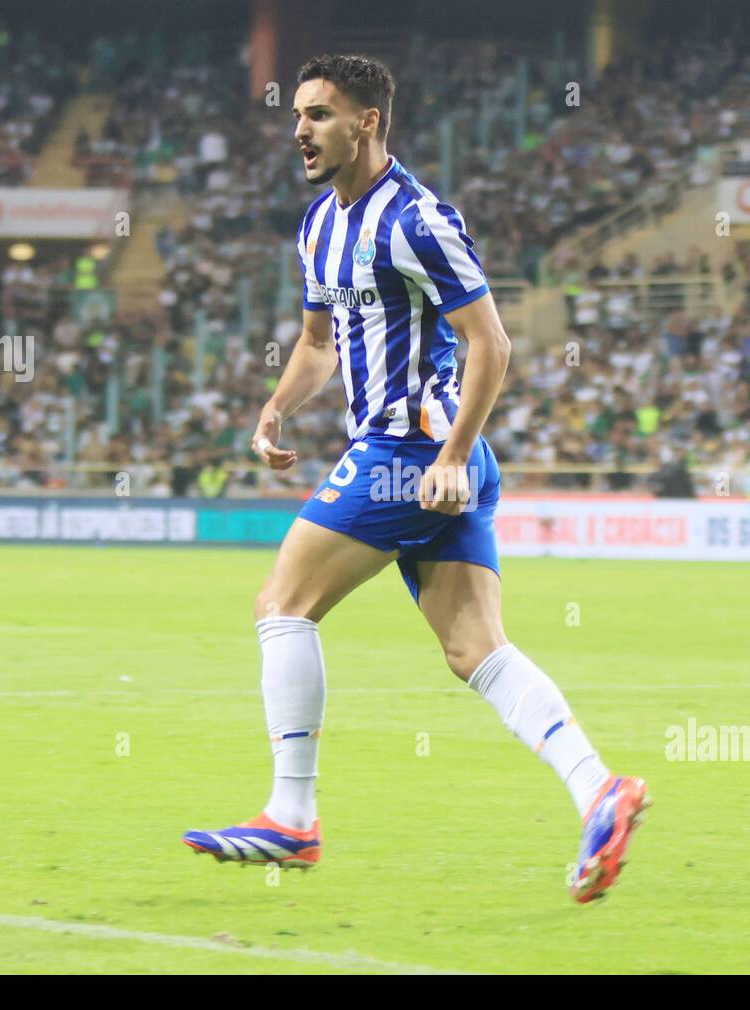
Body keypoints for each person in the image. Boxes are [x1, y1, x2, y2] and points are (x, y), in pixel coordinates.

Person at [182, 54, 650, 903]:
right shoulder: (319, 226)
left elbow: (492, 344)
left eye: (319, 114)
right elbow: (321, 344)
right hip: (430, 460)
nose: (299, 130)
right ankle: (600, 789)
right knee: (476, 650)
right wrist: (276, 408)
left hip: (411, 452)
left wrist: (448, 456)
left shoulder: (418, 220)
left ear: (366, 122)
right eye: (297, 115)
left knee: (281, 605)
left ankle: (293, 814)